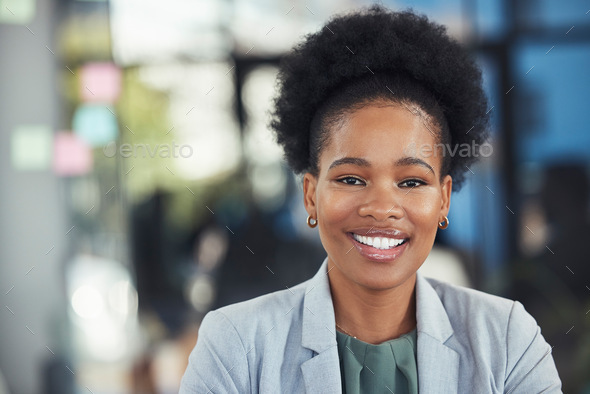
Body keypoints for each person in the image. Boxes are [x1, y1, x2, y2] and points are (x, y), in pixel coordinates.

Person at [180, 6, 562, 393]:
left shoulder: (507, 339)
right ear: (311, 196)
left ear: (444, 200)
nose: (381, 208)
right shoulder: (236, 346)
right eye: (351, 178)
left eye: (412, 182)